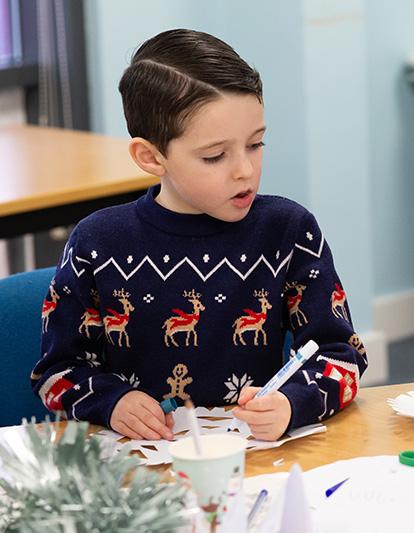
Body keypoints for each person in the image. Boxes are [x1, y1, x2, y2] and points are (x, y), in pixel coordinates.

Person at [31, 29, 367, 441]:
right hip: (142, 471)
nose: (244, 170)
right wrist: (112, 401)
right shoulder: (97, 243)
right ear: (151, 157)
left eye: (256, 144)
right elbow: (55, 374)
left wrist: (293, 401)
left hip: (256, 458)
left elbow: (343, 357)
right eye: (215, 156)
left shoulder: (289, 230)